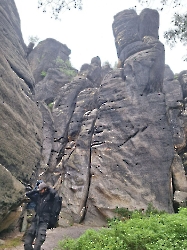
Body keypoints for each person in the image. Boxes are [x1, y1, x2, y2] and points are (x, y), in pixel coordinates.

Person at [24, 182, 56, 250]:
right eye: (40, 190)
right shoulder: (38, 196)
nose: (40, 191)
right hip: (36, 219)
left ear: (45, 189)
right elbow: (28, 194)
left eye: (41, 190)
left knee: (38, 244)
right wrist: (36, 190)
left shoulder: (50, 197)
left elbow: (54, 193)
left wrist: (48, 188)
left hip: (44, 221)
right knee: (27, 243)